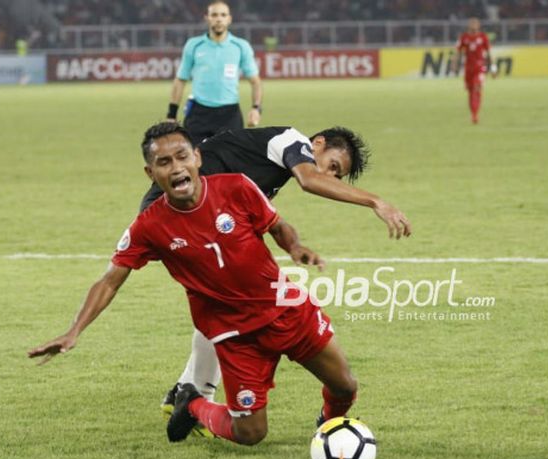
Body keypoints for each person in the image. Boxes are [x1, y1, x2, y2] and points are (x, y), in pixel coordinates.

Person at [28, 123, 358, 446]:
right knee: (251, 434)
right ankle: (193, 403)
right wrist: (74, 331)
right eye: (164, 162)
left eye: (182, 157)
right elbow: (109, 282)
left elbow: (277, 226)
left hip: (285, 309)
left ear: (198, 157)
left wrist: (295, 247)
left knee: (345, 386)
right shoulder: (149, 227)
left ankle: (330, 429)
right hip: (235, 335)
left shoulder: (238, 187)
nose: (176, 168)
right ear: (150, 174)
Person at [137, 124, 411, 427]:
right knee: (227, 302)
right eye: (332, 165)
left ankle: (188, 394)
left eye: (337, 175)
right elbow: (310, 180)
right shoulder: (289, 139)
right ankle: (193, 395)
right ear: (317, 143)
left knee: (223, 302)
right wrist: (375, 201)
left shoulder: (265, 172)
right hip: (174, 216)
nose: (330, 176)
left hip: (189, 216)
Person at [166, 1, 262, 145]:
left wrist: (256, 108)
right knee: (193, 161)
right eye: (214, 15)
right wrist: (171, 115)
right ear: (207, 18)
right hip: (199, 113)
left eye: (223, 15)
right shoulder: (194, 45)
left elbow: (255, 82)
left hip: (230, 114)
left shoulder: (240, 46)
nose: (218, 19)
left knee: (231, 163)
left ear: (229, 19)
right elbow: (180, 80)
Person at [453, 18, 497, 124]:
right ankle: (473, 113)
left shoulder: (483, 37)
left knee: (477, 89)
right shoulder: (464, 37)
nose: (473, 26)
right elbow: (458, 52)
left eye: (475, 24)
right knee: (470, 91)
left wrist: (493, 68)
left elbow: (490, 53)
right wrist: (455, 65)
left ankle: (475, 115)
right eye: (471, 24)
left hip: (480, 68)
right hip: (468, 69)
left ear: (478, 25)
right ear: (468, 25)